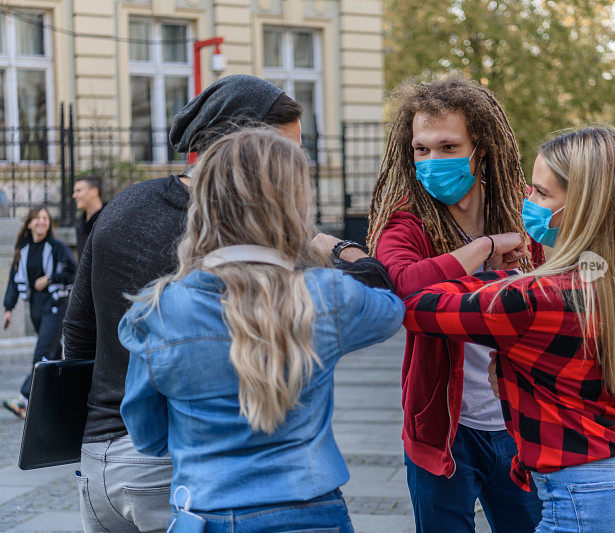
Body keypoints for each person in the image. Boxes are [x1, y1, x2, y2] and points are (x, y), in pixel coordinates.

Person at [63, 74, 393, 533]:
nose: (297, 164)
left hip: (100, 462)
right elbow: (379, 294)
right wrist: (329, 247)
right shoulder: (258, 242)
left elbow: (78, 332)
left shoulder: (124, 204)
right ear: (246, 153)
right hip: (176, 476)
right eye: (287, 152)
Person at [403, 127, 615, 533]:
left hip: (583, 501)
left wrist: (483, 248)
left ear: (581, 207)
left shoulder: (536, 298)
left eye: (541, 195)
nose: (526, 203)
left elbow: (416, 305)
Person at [367, 75, 545, 532]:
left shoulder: (526, 214)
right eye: (421, 149)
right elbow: (401, 288)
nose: (432, 161)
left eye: (447, 147)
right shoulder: (406, 224)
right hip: (442, 432)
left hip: (520, 425)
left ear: (479, 149)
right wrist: (481, 249)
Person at [3, 206, 76, 418]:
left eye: (45, 219)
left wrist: (51, 278)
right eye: (37, 218)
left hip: (55, 306)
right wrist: (8, 308)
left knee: (41, 352)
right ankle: (64, 397)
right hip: (36, 307)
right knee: (53, 354)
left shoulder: (57, 247)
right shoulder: (23, 250)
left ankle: (25, 398)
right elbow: (13, 281)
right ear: (29, 223)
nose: (42, 222)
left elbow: (73, 272)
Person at [73, 175, 104, 259]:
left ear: (94, 192)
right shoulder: (80, 223)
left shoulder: (108, 220)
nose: (74, 195)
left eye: (78, 191)